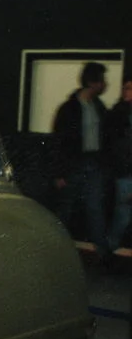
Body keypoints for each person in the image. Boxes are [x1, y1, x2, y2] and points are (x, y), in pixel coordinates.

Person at [52, 61, 111, 266]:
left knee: (95, 209)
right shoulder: (69, 109)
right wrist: (59, 173)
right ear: (93, 82)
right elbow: (59, 141)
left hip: (94, 163)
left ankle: (103, 255)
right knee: (65, 209)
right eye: (102, 80)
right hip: (73, 165)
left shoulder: (99, 107)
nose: (105, 84)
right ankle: (54, 250)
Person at [105, 78, 132, 251]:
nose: (128, 92)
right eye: (126, 88)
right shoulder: (118, 113)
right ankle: (109, 250)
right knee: (123, 214)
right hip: (126, 171)